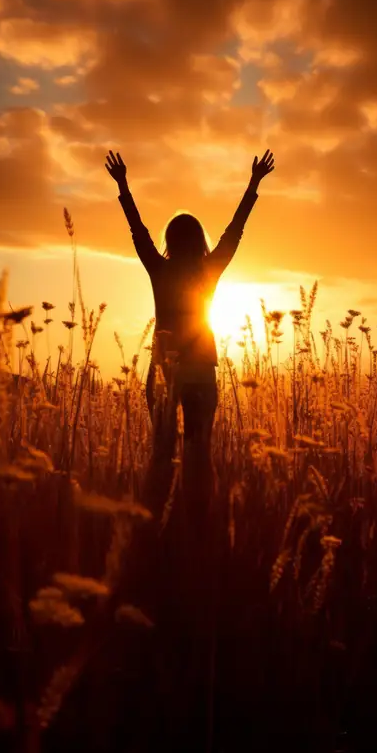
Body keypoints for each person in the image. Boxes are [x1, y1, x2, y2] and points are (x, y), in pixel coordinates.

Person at [105, 147, 275, 519]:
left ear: (170, 239)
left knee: (163, 454)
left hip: (164, 375)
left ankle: (158, 519)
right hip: (200, 374)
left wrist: (123, 185)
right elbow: (235, 232)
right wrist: (253, 183)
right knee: (200, 454)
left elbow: (138, 231)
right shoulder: (209, 269)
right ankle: (199, 517)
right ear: (199, 239)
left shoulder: (159, 269)